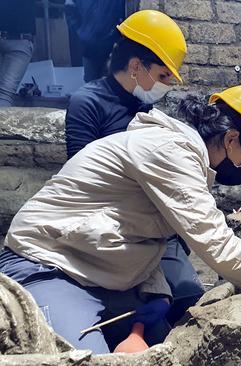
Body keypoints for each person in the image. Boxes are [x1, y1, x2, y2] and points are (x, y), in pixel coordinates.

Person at [0, 84, 241, 354]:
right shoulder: (170, 152)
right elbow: (218, 246)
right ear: (231, 140)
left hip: (90, 270)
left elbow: (142, 232)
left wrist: (154, 296)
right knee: (82, 357)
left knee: (166, 338)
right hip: (45, 267)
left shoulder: (181, 157)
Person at [64, 9, 201, 327]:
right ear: (137, 65)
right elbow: (83, 184)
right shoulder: (87, 103)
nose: (166, 85)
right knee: (138, 316)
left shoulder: (146, 108)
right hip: (109, 228)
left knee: (190, 298)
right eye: (164, 76)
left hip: (153, 228)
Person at [65, 0, 126, 82]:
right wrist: (80, 33)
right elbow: (69, 8)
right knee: (90, 85)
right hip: (89, 48)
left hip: (112, 47)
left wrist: (116, 35)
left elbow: (124, 11)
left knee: (112, 86)